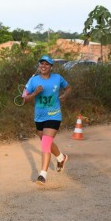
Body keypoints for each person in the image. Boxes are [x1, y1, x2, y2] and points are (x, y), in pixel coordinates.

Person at [23, 55, 72, 185]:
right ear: (39, 66)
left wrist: (65, 95)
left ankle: (42, 175)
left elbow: (68, 88)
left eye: (46, 64)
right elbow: (24, 99)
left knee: (45, 142)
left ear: (51, 67)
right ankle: (61, 158)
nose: (43, 66)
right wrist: (35, 93)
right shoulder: (33, 81)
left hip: (54, 115)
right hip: (39, 117)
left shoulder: (57, 78)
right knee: (47, 142)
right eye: (41, 64)